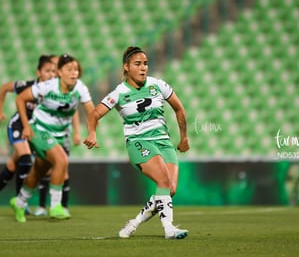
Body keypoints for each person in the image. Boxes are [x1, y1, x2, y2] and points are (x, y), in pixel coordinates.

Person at [83, 46, 190, 239]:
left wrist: (184, 137)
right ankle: (169, 229)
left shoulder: (158, 85)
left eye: (146, 64)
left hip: (163, 142)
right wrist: (92, 133)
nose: (143, 68)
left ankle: (133, 224)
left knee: (169, 189)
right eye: (137, 64)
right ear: (126, 67)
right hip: (139, 142)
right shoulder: (119, 93)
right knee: (163, 181)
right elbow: (95, 114)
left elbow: (179, 109)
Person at [9, 54, 95, 222]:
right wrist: (26, 126)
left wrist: (92, 132)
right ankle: (56, 206)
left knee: (38, 171)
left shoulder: (80, 88)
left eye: (76, 69)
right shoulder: (47, 86)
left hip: (59, 135)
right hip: (39, 130)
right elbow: (20, 99)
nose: (74, 73)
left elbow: (91, 111)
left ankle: (19, 202)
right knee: (61, 161)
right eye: (69, 69)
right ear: (60, 71)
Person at [0, 55, 56, 202]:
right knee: (26, 158)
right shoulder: (28, 86)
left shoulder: (53, 93)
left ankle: (23, 203)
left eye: (53, 71)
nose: (51, 74)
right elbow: (4, 87)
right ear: (39, 72)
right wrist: (0, 110)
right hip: (18, 125)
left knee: (12, 165)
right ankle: (20, 203)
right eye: (47, 71)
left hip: (34, 129)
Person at [33, 54, 82, 217]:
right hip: (45, 132)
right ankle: (43, 205)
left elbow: (73, 111)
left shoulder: (71, 88)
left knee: (62, 168)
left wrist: (77, 131)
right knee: (46, 167)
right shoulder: (46, 87)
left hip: (63, 134)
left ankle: (62, 205)